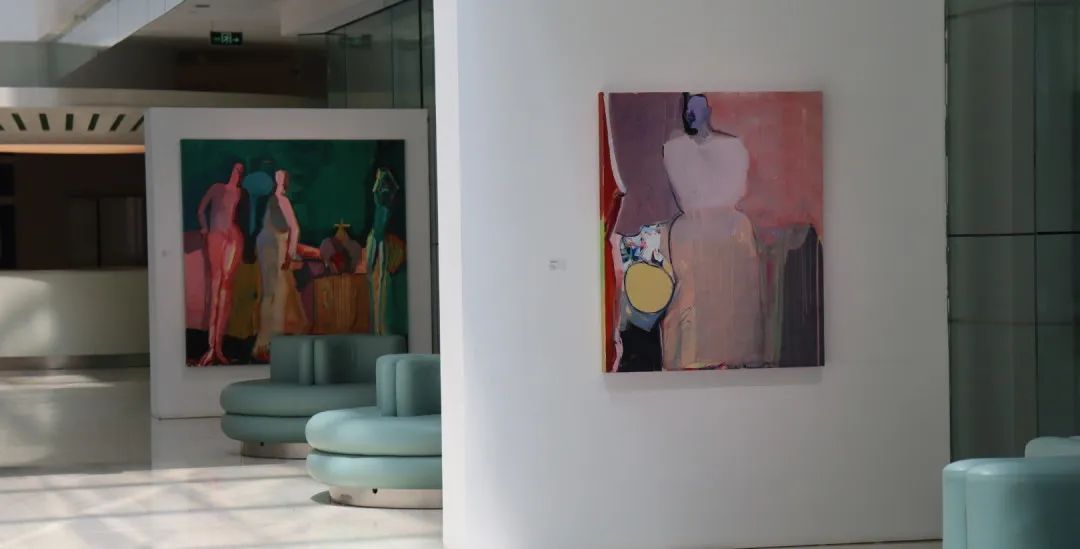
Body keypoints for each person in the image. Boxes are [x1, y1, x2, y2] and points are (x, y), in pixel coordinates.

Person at [660, 93, 764, 369]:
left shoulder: (732, 148)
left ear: (708, 109)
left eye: (697, 107)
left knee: (732, 295)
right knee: (689, 298)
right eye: (687, 108)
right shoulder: (676, 149)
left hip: (727, 229)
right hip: (692, 230)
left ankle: (733, 355)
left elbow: (736, 188)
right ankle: (690, 357)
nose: (690, 113)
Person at [252, 170, 305, 361]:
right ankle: (266, 343)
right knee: (274, 294)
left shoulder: (275, 201)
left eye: (282, 178)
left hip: (271, 244)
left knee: (273, 295)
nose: (280, 181)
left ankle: (267, 342)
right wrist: (290, 254)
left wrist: (290, 254)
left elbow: (293, 229)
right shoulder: (276, 201)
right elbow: (294, 229)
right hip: (272, 245)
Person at [196, 162, 245, 366]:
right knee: (216, 286)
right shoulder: (217, 188)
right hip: (216, 235)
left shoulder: (240, 193)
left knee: (226, 288)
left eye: (241, 171)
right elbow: (201, 210)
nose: (238, 173)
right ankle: (210, 347)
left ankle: (218, 346)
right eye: (236, 169)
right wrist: (205, 228)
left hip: (232, 236)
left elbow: (241, 216)